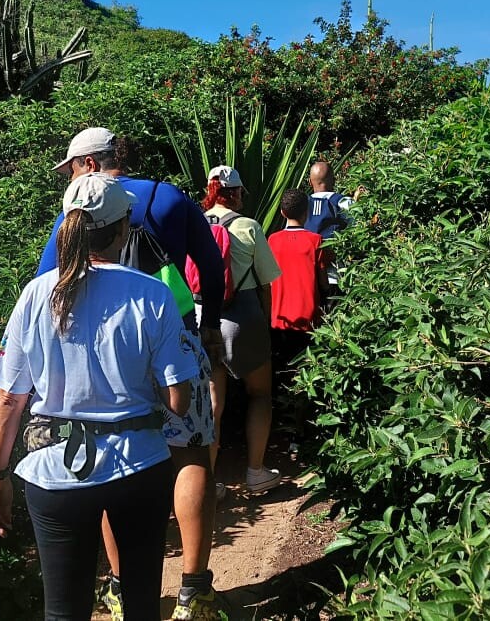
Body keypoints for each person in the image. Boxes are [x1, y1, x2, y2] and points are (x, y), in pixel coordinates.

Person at [0, 173, 199, 621]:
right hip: (139, 465)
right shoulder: (153, 293)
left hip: (54, 471)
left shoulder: (35, 294)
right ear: (123, 230)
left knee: (63, 611)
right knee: (142, 605)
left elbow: (9, 400)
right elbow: (178, 401)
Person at [37, 128, 226, 621]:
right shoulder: (170, 198)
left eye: (72, 167)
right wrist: (207, 326)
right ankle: (194, 591)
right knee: (192, 456)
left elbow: (46, 283)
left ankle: (121, 588)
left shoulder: (77, 209)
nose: (70, 176)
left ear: (90, 163)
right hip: (175, 340)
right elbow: (210, 266)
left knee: (111, 455)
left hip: (106, 354)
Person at [200, 165, 284, 495]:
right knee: (260, 393)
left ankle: (208, 484)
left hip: (203, 318)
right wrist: (267, 322)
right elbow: (267, 280)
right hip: (243, 316)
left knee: (212, 404)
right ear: (235, 193)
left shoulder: (196, 223)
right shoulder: (248, 226)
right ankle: (256, 472)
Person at [267, 189, 328, 447]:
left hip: (279, 319)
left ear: (282, 212)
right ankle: (300, 432)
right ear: (307, 212)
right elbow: (323, 283)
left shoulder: (272, 241)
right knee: (306, 375)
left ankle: (281, 430)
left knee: (282, 375)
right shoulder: (316, 241)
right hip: (308, 319)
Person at [305, 160, 363, 297]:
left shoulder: (301, 205)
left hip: (307, 276)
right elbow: (360, 228)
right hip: (336, 275)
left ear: (310, 182)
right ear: (334, 180)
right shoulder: (343, 202)